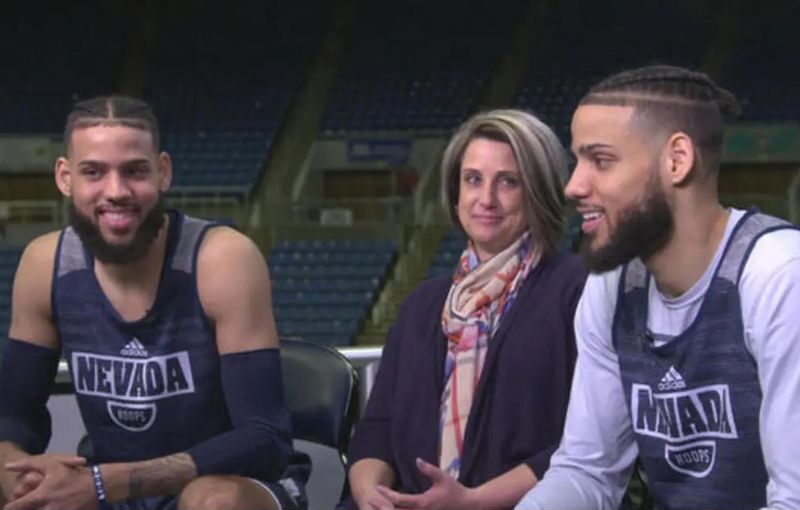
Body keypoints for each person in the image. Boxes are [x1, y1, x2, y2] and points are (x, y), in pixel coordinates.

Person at [0, 95, 307, 510]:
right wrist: (16, 469)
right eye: (93, 172)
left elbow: (264, 438)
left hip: (237, 483)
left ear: (163, 172)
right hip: (108, 484)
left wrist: (111, 482)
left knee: (210, 502)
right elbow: (15, 417)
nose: (116, 191)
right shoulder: (45, 264)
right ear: (65, 177)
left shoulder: (222, 259)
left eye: (135, 171)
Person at [516, 65, 800, 510]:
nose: (573, 186)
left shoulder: (779, 274)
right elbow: (587, 472)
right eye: (577, 161)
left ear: (677, 160)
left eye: (601, 160)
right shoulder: (611, 289)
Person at [344, 109, 587, 510]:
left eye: (508, 182)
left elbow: (585, 444)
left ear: (540, 191)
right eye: (473, 179)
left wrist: (473, 501)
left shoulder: (577, 290)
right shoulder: (423, 304)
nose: (486, 199)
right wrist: (372, 494)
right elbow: (379, 428)